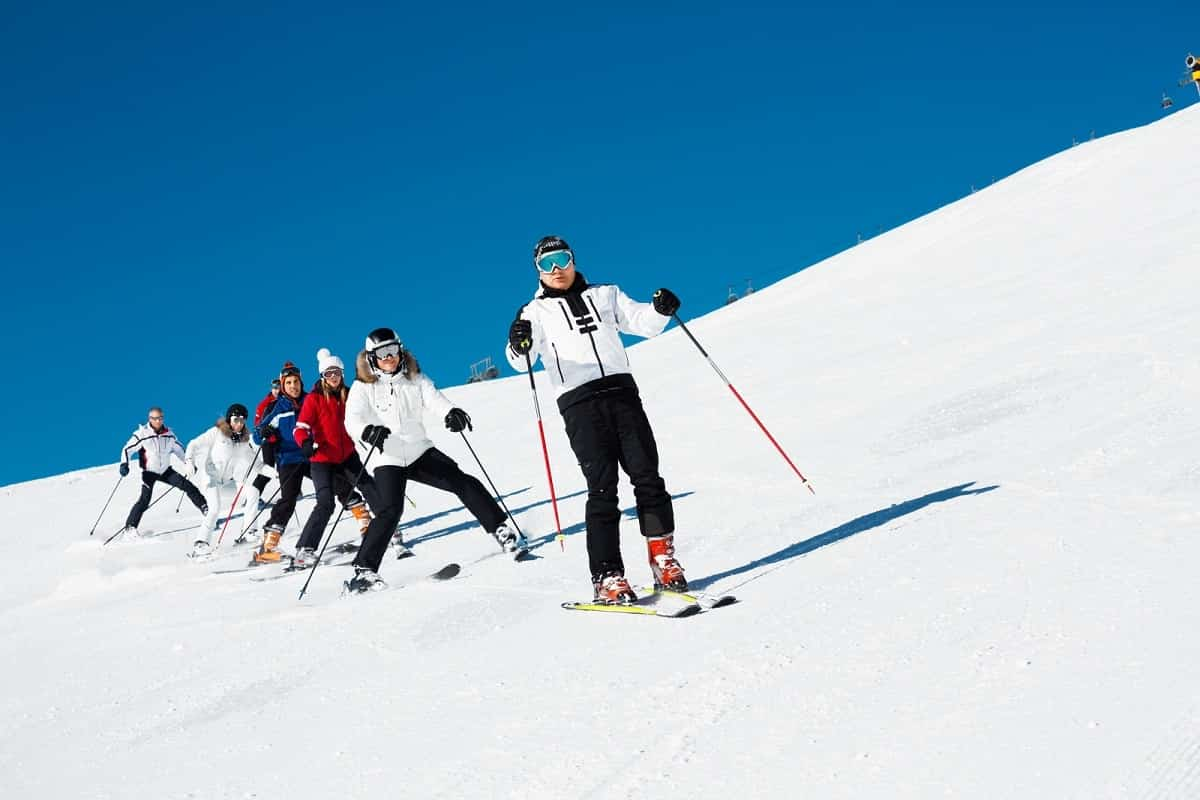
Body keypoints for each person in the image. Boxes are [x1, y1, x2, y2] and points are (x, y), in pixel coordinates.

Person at [505, 235, 686, 604]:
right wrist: (518, 341)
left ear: (573, 260)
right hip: (579, 403)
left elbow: (642, 322)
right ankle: (607, 575)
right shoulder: (533, 312)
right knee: (602, 487)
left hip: (622, 393)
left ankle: (661, 558)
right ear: (537, 271)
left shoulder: (606, 294)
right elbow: (519, 358)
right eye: (546, 264)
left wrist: (662, 310)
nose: (556, 269)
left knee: (647, 475)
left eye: (562, 259)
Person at [342, 327, 524, 592]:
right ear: (371, 358)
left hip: (418, 452)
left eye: (393, 350)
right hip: (388, 457)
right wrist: (367, 431)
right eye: (382, 353)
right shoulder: (363, 387)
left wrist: (451, 412)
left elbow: (435, 400)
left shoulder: (415, 378)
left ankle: (500, 530)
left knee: (461, 481)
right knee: (390, 511)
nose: (389, 357)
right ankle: (364, 571)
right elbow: (352, 419)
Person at [290, 348, 379, 568]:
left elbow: (367, 415)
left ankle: (391, 531)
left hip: (347, 455)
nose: (333, 377)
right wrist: (305, 442)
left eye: (336, 372)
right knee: (326, 503)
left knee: (368, 486)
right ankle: (305, 549)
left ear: (342, 373)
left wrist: (373, 431)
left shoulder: (351, 395)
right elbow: (299, 428)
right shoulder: (314, 399)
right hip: (322, 459)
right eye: (329, 373)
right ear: (322, 376)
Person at [183, 403, 261, 558]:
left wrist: (276, 474)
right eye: (236, 419)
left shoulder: (243, 441)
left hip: (227, 483)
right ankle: (201, 543)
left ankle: (249, 532)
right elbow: (194, 444)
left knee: (253, 491)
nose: (239, 424)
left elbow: (257, 464)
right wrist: (189, 461)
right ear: (229, 419)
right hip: (210, 478)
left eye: (242, 420)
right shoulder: (217, 433)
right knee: (214, 508)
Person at [250, 363, 310, 563]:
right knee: (289, 499)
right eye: (289, 383)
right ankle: (268, 546)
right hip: (288, 458)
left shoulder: (310, 401)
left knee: (338, 483)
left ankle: (365, 524)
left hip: (311, 454)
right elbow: (258, 435)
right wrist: (264, 432)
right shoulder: (279, 407)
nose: (293, 386)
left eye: (296, 382)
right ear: (283, 385)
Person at [117, 407, 208, 537]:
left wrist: (189, 463)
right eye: (155, 419)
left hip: (165, 471)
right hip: (149, 472)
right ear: (150, 419)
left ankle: (205, 508)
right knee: (144, 499)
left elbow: (180, 450)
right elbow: (127, 449)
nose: (158, 421)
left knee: (187, 486)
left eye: (160, 418)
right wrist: (124, 463)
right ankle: (130, 527)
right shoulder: (142, 434)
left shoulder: (169, 435)